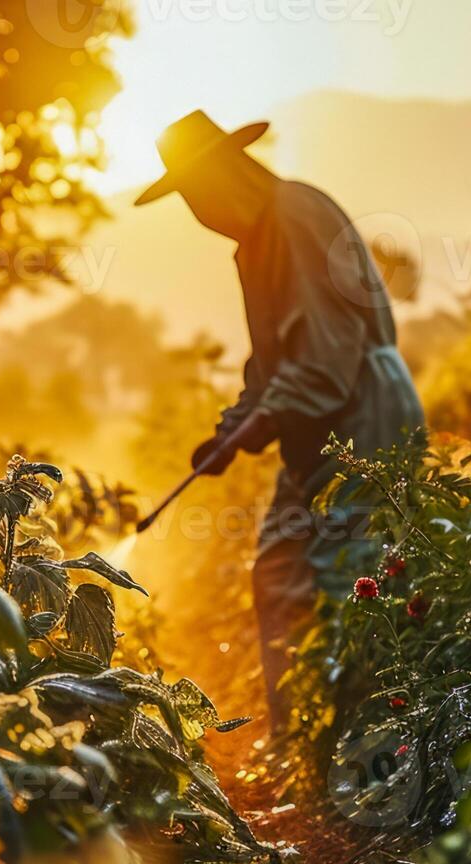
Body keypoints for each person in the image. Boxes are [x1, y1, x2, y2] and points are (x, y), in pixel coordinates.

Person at [136, 110, 425, 729]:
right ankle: (301, 737)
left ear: (227, 174)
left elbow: (323, 362)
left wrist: (253, 428)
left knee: (349, 575)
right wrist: (232, 426)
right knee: (282, 570)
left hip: (362, 412)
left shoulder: (293, 219)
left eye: (196, 192)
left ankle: (367, 741)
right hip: (319, 424)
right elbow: (273, 361)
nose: (198, 211)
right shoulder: (260, 239)